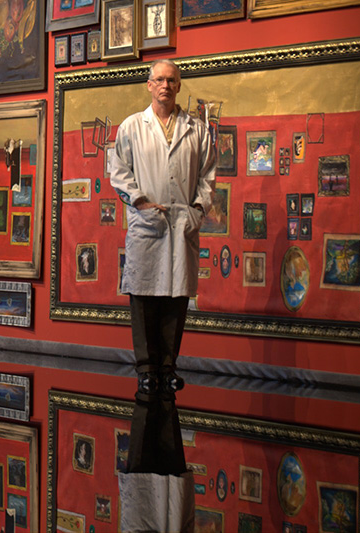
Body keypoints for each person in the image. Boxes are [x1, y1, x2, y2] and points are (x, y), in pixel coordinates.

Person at [109, 58, 215, 475]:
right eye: (160, 79)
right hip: (147, 221)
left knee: (176, 297)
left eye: (173, 80)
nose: (166, 85)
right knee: (143, 296)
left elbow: (208, 175)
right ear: (148, 84)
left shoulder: (198, 130)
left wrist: (199, 209)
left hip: (181, 223)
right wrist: (137, 201)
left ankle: (168, 370)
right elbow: (117, 170)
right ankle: (147, 371)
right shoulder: (131, 127)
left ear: (179, 84)